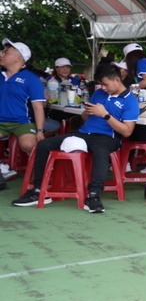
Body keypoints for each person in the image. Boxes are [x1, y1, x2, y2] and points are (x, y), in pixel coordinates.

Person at [12, 62, 139, 213]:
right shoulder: (99, 93)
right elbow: (86, 117)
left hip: (107, 137)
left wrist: (105, 115)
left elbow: (127, 132)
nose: (103, 88)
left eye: (106, 84)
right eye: (101, 84)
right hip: (84, 134)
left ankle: (93, 194)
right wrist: (87, 113)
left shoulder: (130, 100)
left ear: (117, 80)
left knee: (100, 151)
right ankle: (38, 190)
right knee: (43, 145)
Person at [0, 39, 46, 168]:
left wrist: (40, 131)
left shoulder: (31, 79)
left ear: (18, 58)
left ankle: (41, 173)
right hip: (1, 122)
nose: (1, 54)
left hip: (23, 123)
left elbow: (38, 107)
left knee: (29, 145)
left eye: (6, 52)